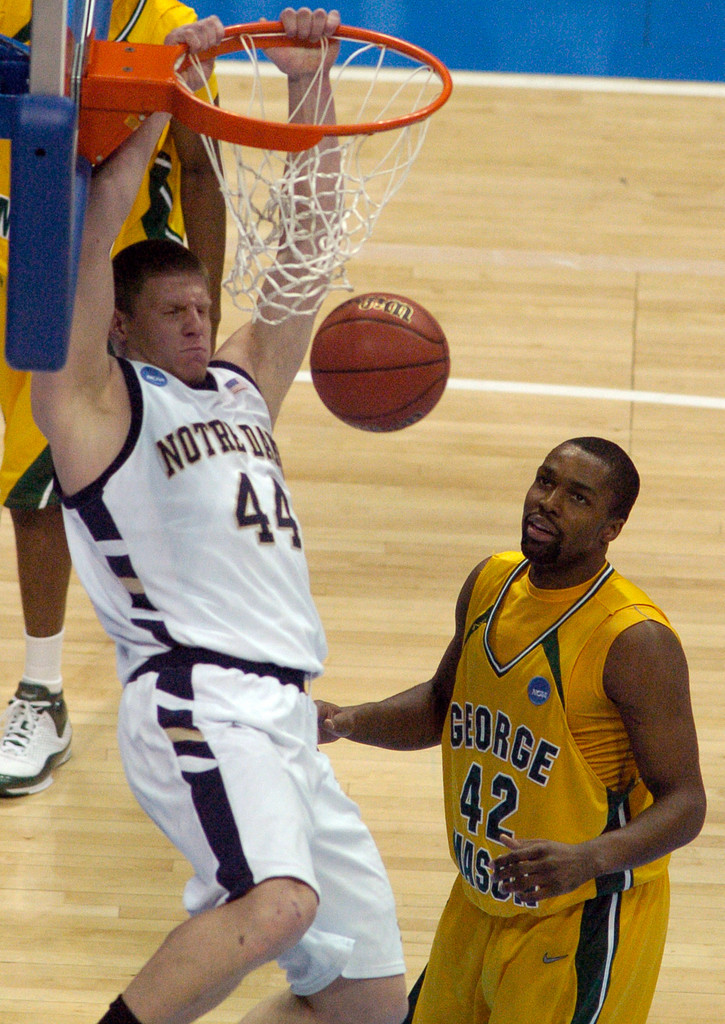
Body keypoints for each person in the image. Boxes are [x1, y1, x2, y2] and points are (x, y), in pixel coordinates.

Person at [30, 8, 407, 1024]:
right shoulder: (96, 409)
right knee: (273, 903)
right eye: (176, 313)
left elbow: (306, 255)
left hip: (285, 713)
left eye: (205, 307)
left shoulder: (242, 387)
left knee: (367, 1003)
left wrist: (305, 82)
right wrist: (151, 117)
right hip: (198, 699)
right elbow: (91, 240)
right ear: (121, 323)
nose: (201, 324)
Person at [318, 437, 707, 1024]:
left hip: (581, 921)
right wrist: (345, 720)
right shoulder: (491, 582)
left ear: (612, 527)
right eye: (544, 481)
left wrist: (585, 859)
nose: (547, 502)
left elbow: (687, 803)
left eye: (576, 497)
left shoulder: (633, 640)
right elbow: (439, 707)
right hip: (477, 904)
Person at [0, 0, 226, 796]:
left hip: (105, 293)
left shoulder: (167, 21)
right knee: (32, 497)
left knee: (151, 488)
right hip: (11, 270)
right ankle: (47, 690)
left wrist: (206, 297)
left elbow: (199, 169)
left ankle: (171, 676)